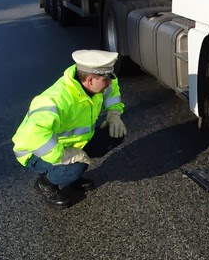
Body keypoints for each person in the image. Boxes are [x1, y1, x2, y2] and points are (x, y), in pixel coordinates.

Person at [12, 50, 127, 208]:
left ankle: (70, 174)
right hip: (35, 151)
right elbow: (31, 137)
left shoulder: (98, 84)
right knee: (75, 167)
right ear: (90, 79)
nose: (109, 83)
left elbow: (112, 90)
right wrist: (65, 156)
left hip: (72, 141)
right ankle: (45, 183)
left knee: (114, 135)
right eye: (105, 80)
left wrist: (114, 114)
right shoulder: (55, 100)